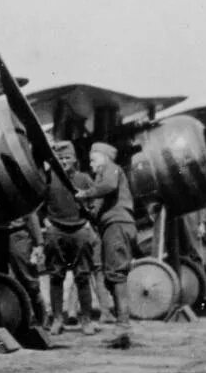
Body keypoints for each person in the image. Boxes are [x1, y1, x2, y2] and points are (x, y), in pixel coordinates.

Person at [75, 142, 134, 340]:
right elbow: (96, 211)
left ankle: (123, 325)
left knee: (116, 274)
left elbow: (108, 186)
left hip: (117, 225)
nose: (90, 165)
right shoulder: (101, 178)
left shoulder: (111, 170)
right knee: (111, 276)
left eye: (93, 159)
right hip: (111, 227)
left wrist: (85, 193)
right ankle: (121, 325)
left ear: (104, 157)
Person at [38, 142, 100, 331]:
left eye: (68, 158)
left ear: (75, 160)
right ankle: (58, 320)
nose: (64, 162)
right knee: (56, 275)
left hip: (80, 230)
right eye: (60, 158)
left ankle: (86, 320)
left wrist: (90, 222)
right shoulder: (48, 179)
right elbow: (37, 203)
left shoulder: (84, 179)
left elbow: (97, 200)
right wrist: (46, 223)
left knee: (82, 275)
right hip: (55, 230)